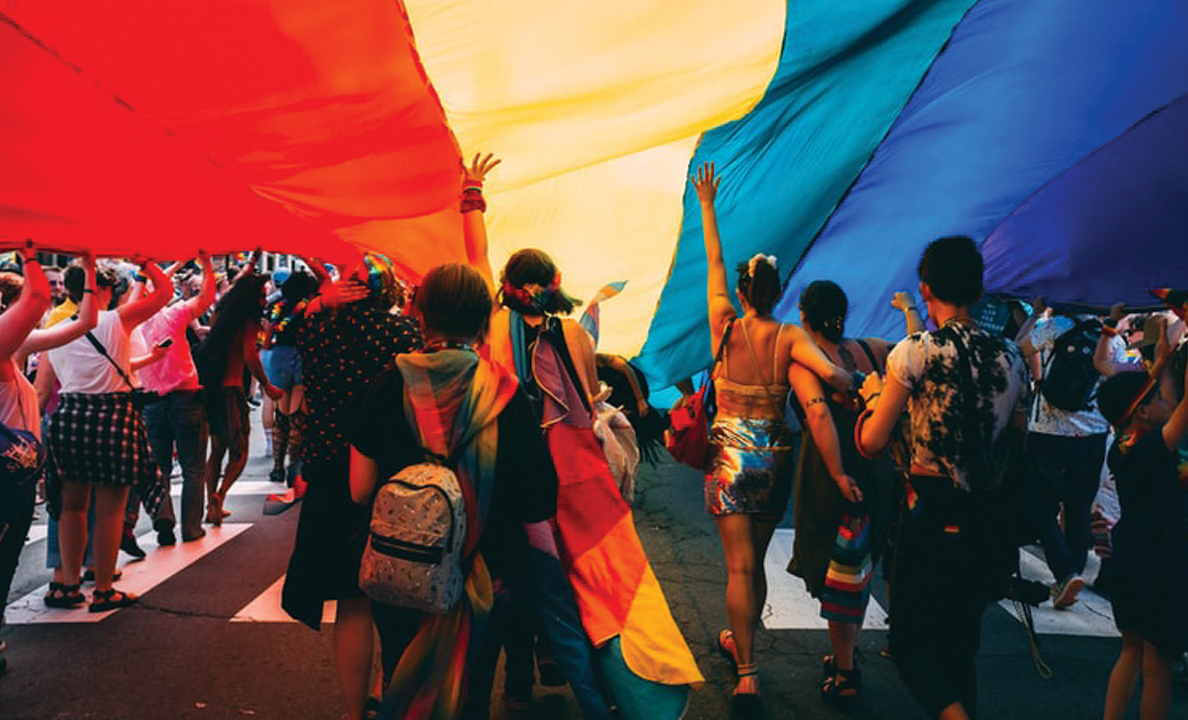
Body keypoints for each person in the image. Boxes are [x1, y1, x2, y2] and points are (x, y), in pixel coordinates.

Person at [349, 263, 559, 720]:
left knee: (400, 678)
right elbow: (537, 501)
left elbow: (360, 488)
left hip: (401, 570)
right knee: (472, 693)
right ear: (485, 322)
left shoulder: (390, 385)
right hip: (486, 578)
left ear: (420, 318)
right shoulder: (507, 398)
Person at [691, 162, 852, 702]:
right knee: (753, 565)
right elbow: (831, 374)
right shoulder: (788, 337)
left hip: (729, 453)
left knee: (736, 568)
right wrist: (862, 382)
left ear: (742, 290)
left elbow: (713, 259)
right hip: (774, 456)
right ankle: (742, 645)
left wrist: (708, 205)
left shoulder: (725, 324)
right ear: (780, 292)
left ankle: (747, 671)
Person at [855, 236, 1029, 720]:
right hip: (987, 517)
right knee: (959, 647)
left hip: (929, 515)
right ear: (978, 289)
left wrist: (872, 397)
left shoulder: (915, 352)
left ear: (925, 289)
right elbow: (1017, 442)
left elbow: (871, 441)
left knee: (910, 645)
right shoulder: (1012, 358)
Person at [281, 252, 422, 720]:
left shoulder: (318, 329)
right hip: (391, 476)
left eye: (348, 278)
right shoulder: (404, 334)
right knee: (400, 598)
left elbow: (287, 325)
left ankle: (351, 709)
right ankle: (389, 692)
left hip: (331, 477)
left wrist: (321, 302)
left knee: (352, 602)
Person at [785, 280, 897, 707]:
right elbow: (911, 350)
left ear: (804, 316)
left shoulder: (805, 363)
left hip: (833, 472)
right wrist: (907, 310)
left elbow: (817, 417)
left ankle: (846, 669)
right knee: (859, 565)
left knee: (836, 571)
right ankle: (843, 653)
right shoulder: (872, 350)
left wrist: (835, 474)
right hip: (877, 466)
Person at [42, 258, 172, 612]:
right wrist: (144, 259)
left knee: (71, 507)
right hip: (113, 415)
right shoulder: (117, 320)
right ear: (98, 288)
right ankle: (102, 588)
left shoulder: (56, 330)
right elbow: (166, 293)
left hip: (68, 416)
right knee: (110, 510)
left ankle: (68, 586)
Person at [1, 246, 97, 644]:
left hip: (16, 473)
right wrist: (29, 252)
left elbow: (82, 323)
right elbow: (39, 297)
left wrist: (89, 271)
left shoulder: (13, 346)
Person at [1096, 358, 1188, 720]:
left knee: (1130, 653)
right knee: (1158, 666)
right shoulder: (1152, 447)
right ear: (1144, 412)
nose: (1171, 402)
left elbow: (1161, 395)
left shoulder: (1123, 445)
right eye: (1163, 398)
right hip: (1157, 562)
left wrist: (1165, 356)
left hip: (1130, 557)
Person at [1019, 302, 1126, 608]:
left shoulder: (1055, 327)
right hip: (1092, 434)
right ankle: (1073, 575)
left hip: (1048, 431)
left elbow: (1019, 350)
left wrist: (1035, 314)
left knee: (1040, 506)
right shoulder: (1113, 339)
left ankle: (1066, 573)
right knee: (1078, 509)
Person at [136, 253, 216, 542]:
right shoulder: (175, 314)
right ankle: (192, 528)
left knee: (160, 468)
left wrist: (159, 269)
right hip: (186, 397)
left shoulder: (133, 322)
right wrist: (205, 263)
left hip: (152, 402)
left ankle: (164, 517)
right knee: (193, 467)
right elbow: (207, 296)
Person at [196, 260, 282, 525]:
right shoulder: (248, 319)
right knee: (240, 452)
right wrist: (267, 385)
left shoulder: (221, 311)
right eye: (263, 292)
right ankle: (220, 496)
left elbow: (235, 287)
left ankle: (212, 502)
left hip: (210, 388)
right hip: (232, 389)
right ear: (253, 297)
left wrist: (252, 263)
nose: (266, 296)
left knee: (217, 449)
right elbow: (249, 354)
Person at [263, 269, 319, 486]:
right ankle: (293, 467)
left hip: (281, 356)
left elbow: (267, 338)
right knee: (298, 417)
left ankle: (277, 466)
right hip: (304, 356)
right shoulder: (312, 308)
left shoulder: (277, 307)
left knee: (281, 414)